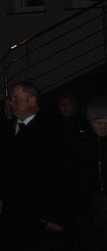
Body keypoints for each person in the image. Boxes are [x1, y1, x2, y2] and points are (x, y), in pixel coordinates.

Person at [0, 81, 77, 251]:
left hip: (41, 212)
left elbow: (63, 173)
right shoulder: (8, 129)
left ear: (31, 100)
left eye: (15, 98)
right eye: (10, 98)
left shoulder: (53, 129)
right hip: (14, 211)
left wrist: (58, 215)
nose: (10, 102)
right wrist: (0, 196)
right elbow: (2, 167)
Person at [74, 95, 107, 250]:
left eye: (106, 123)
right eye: (97, 123)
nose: (103, 128)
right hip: (91, 206)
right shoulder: (82, 143)